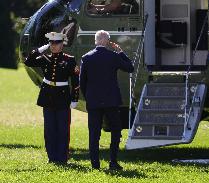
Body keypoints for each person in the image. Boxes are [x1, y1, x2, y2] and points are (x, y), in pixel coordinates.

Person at [80, 30, 134, 170]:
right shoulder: (113, 56)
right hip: (111, 100)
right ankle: (113, 162)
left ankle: (95, 164)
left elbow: (82, 82)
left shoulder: (86, 58)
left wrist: (89, 97)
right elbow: (130, 68)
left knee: (94, 133)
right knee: (116, 130)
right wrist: (121, 52)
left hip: (93, 101)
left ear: (96, 41)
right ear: (107, 41)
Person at [24, 32, 80, 165]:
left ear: (62, 44)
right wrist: (40, 49)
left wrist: (74, 99)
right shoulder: (45, 58)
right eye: (51, 43)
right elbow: (28, 61)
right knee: (49, 129)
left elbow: (75, 81)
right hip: (47, 97)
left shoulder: (69, 60)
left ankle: (62, 158)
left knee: (63, 129)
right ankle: (52, 157)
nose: (54, 46)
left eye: (56, 43)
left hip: (62, 97)